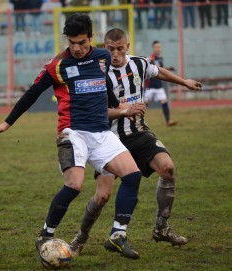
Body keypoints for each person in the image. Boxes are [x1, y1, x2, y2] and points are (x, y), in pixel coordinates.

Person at [0, 13, 146, 259]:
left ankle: (117, 235)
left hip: (101, 132)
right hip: (72, 132)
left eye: (81, 42)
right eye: (71, 42)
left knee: (133, 175)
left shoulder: (103, 57)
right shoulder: (57, 66)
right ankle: (45, 235)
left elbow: (104, 86)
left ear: (91, 38)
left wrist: (121, 108)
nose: (77, 48)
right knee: (75, 185)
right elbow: (32, 93)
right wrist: (7, 124)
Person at [69, 28, 202, 259]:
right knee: (102, 196)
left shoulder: (139, 64)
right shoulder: (98, 72)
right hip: (108, 139)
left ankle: (161, 228)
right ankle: (81, 237)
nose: (116, 54)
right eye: (110, 49)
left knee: (168, 168)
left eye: (120, 49)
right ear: (104, 47)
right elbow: (98, 112)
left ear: (127, 47)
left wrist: (184, 82)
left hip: (139, 133)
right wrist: (124, 111)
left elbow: (158, 71)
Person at [145, 40, 178, 127]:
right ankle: (137, 120)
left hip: (159, 87)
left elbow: (161, 69)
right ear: (153, 48)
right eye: (156, 47)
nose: (158, 49)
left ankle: (168, 121)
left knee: (164, 101)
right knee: (145, 104)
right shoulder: (150, 58)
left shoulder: (160, 58)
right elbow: (149, 70)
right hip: (150, 87)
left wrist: (169, 69)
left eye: (159, 47)